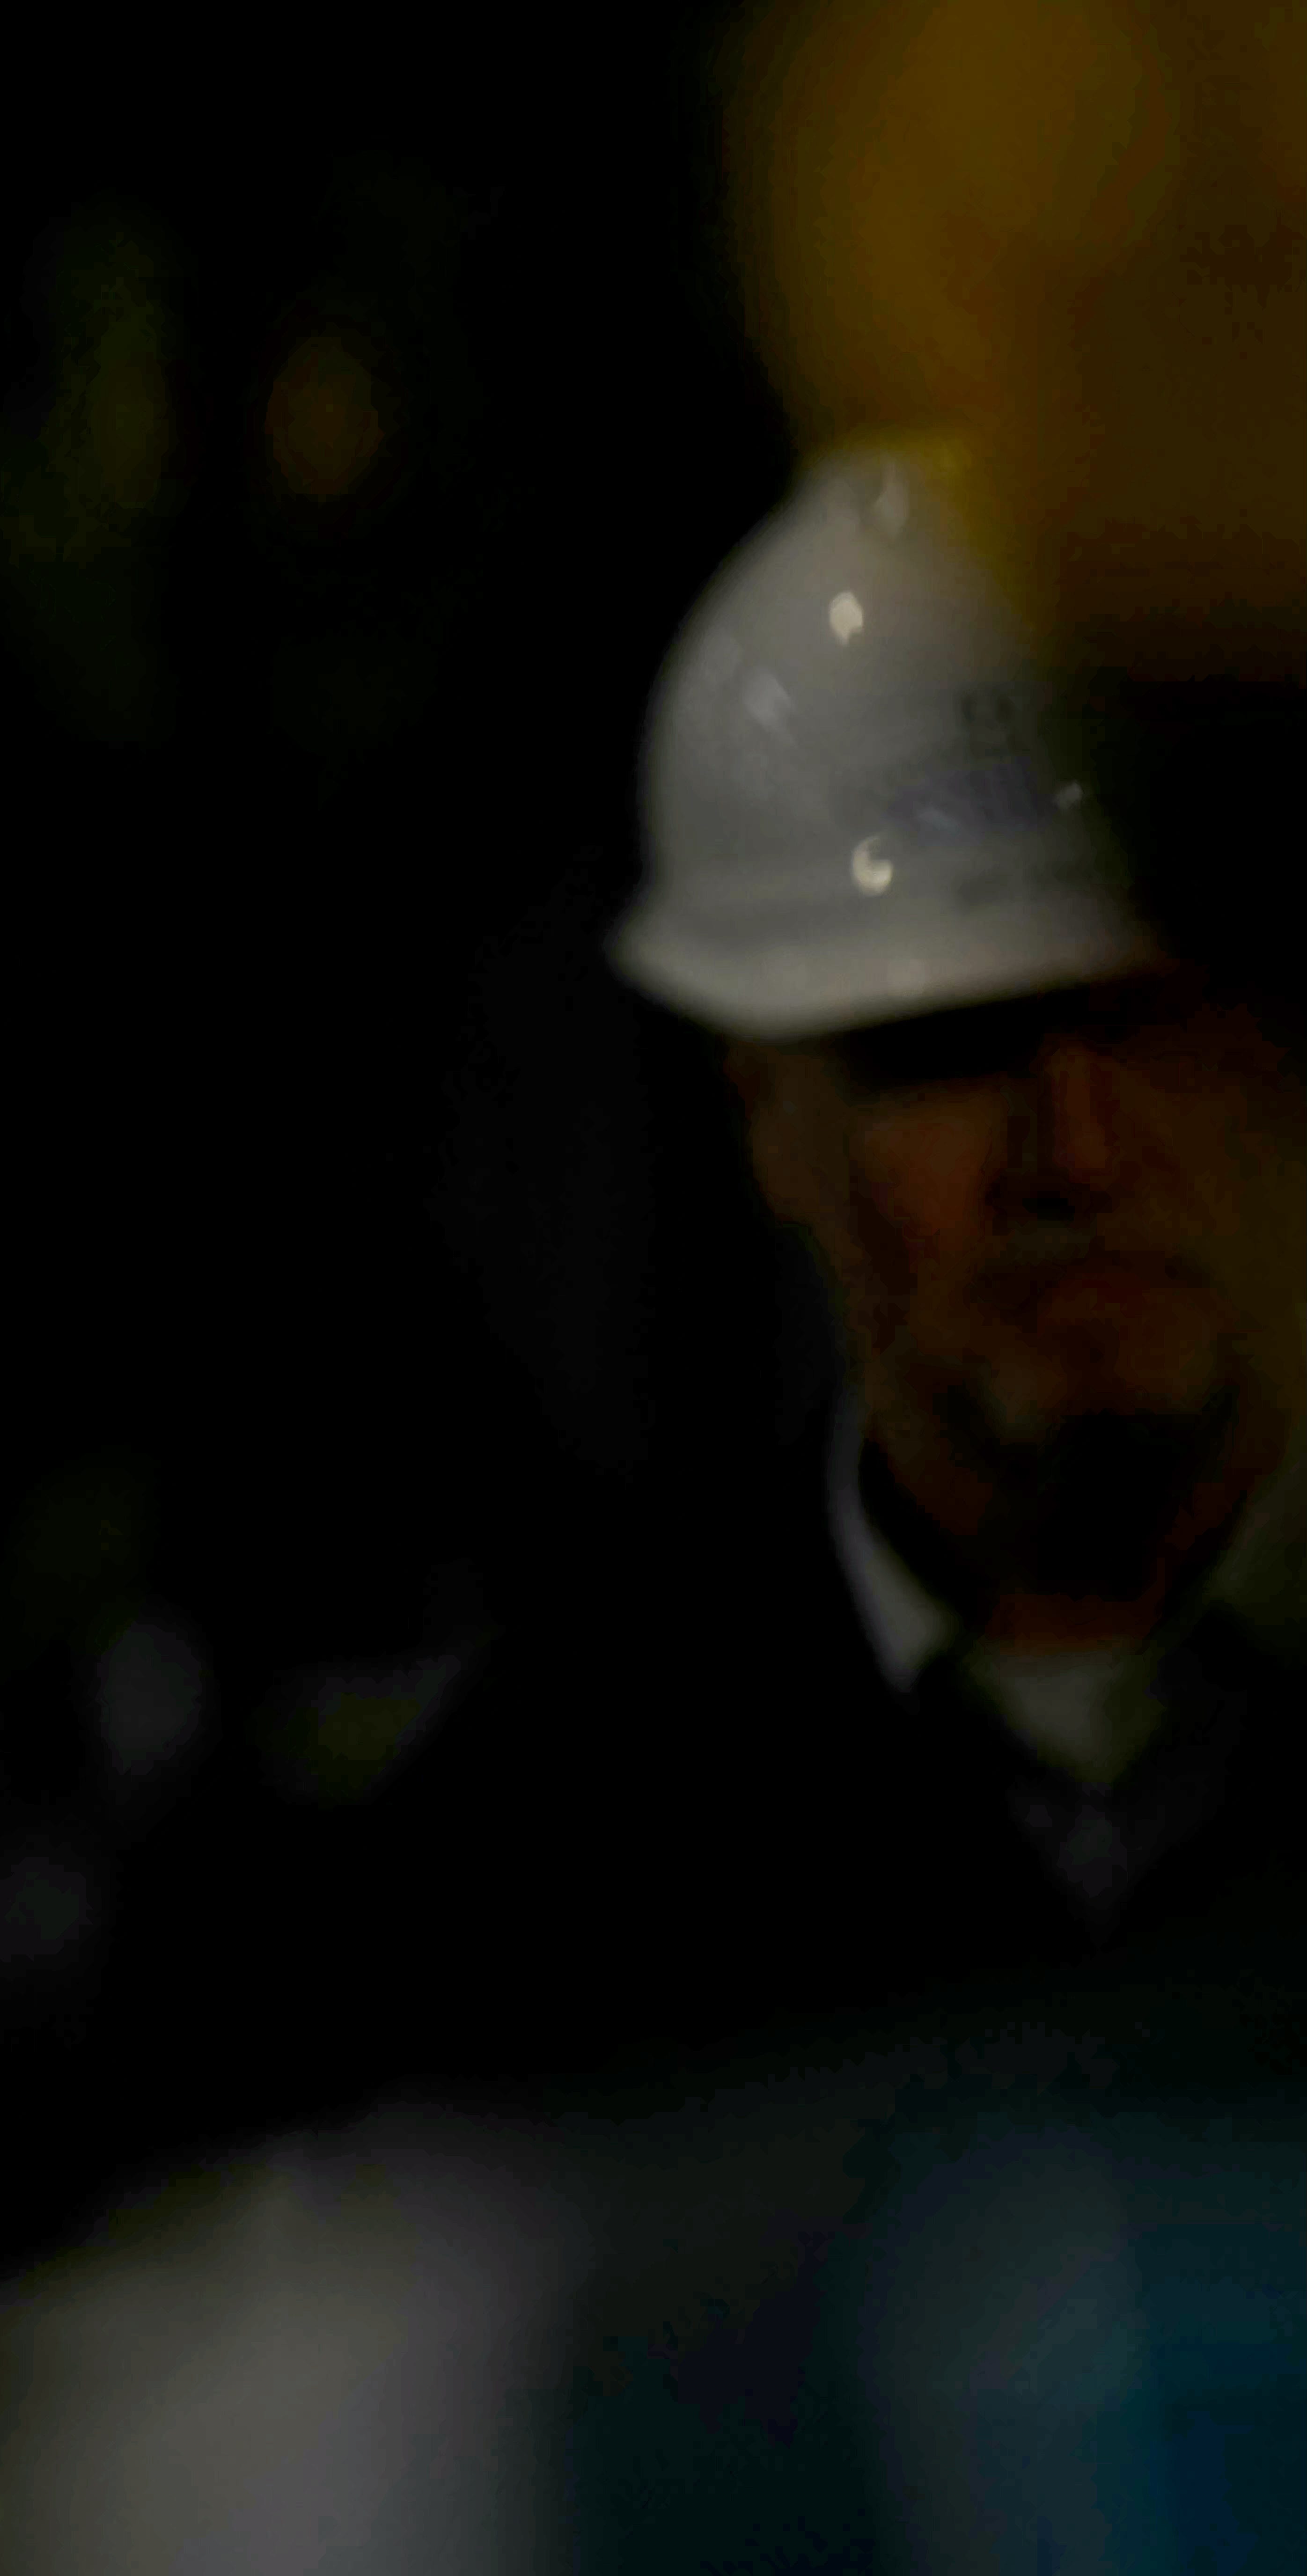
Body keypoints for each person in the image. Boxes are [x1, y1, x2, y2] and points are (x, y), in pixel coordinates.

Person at [363, 443, 1307, 2077]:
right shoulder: (538, 1841)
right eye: (949, 1048)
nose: (1076, 1154)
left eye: (1159, 1022)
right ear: (764, 1118)